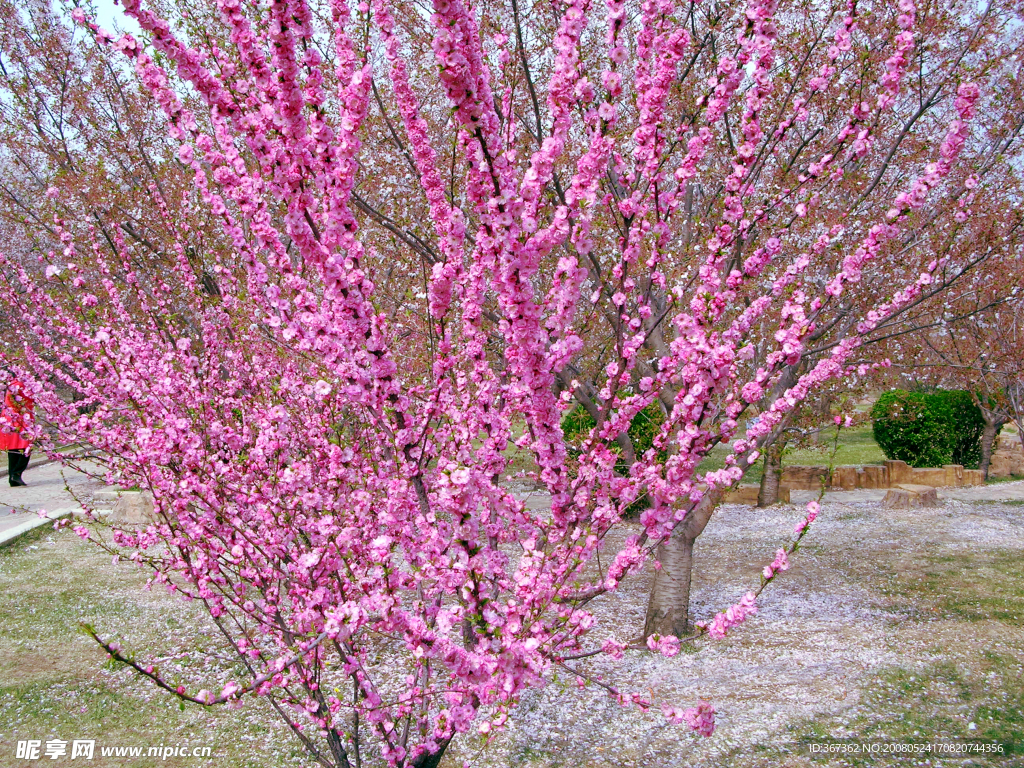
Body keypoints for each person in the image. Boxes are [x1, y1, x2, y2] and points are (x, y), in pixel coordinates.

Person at [0, 374, 34, 487]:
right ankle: (16, 474)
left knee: (13, 449)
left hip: (9, 420)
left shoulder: (12, 385)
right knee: (26, 448)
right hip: (20, 420)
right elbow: (27, 401)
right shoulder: (20, 386)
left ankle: (13, 477)